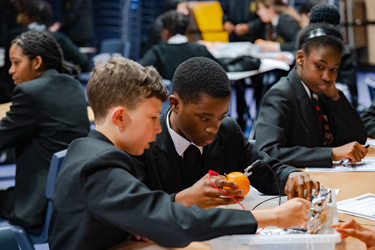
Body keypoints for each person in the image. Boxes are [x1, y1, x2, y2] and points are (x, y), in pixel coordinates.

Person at [48, 57, 312, 250]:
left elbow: (144, 215)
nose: (157, 126)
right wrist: (273, 216)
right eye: (152, 117)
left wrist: (138, 224)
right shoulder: (102, 164)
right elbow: (168, 217)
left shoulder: (90, 151)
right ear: (119, 117)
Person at [131, 56, 319, 210]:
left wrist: (292, 176)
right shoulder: (143, 143)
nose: (214, 128)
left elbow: (266, 172)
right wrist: (186, 199)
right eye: (204, 119)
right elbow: (138, 209)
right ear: (175, 104)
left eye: (221, 116)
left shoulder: (228, 132)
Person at [255, 5, 367, 168]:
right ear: (300, 58)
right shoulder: (281, 95)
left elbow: (358, 138)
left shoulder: (324, 91)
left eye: (333, 69)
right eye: (319, 67)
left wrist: (335, 96)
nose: (327, 77)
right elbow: (267, 152)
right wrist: (332, 154)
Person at [0, 30, 90, 228]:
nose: (10, 70)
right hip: (70, 199)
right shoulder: (73, 85)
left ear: (37, 62)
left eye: (16, 63)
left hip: (37, 206)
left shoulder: (29, 92)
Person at [139, 11, 259, 80]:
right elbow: (222, 67)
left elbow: (139, 72)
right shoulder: (199, 49)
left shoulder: (158, 52)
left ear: (165, 32)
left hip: (169, 109)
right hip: (199, 109)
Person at [8, 0, 91, 72]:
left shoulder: (15, 35)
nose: (21, 17)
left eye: (23, 13)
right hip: (53, 87)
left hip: (18, 86)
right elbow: (83, 61)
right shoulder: (58, 38)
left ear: (30, 17)